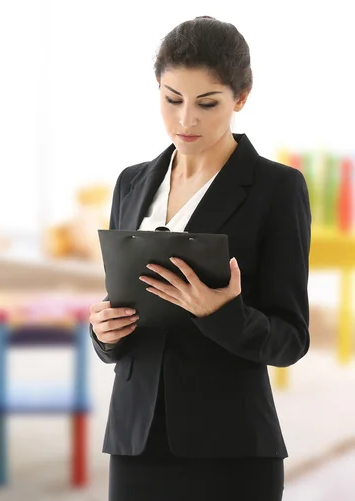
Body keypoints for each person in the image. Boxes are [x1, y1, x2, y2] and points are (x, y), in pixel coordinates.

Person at [89, 16, 311, 501]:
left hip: (230, 445)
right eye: (172, 99)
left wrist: (223, 314)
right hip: (135, 440)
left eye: (207, 103)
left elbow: (291, 340)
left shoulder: (277, 189)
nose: (185, 120)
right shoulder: (131, 182)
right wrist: (103, 333)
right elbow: (121, 303)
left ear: (241, 98)